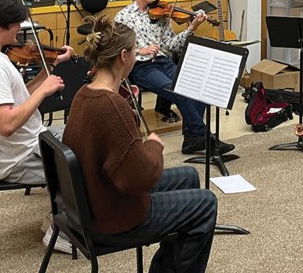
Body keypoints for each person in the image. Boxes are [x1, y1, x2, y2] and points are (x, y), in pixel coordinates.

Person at [63, 14, 217, 273]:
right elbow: (139, 178)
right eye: (134, 52)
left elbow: (115, 151)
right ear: (124, 57)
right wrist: (154, 146)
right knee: (206, 203)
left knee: (189, 176)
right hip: (111, 216)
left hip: (90, 199)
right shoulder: (111, 106)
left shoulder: (85, 93)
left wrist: (130, 115)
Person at [0, 0, 74, 253]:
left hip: (32, 142)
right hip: (19, 159)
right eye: (15, 23)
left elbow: (16, 97)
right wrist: (43, 91)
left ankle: (67, 212)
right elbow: (6, 124)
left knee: (83, 132)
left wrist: (49, 69)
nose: (20, 28)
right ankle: (59, 228)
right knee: (87, 163)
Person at [114, 0, 233, 155]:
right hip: (142, 66)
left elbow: (171, 46)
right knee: (178, 89)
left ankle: (191, 139)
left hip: (164, 61)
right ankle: (205, 136)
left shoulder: (161, 14)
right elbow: (117, 48)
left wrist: (192, 27)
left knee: (196, 87)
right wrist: (139, 50)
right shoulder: (124, 16)